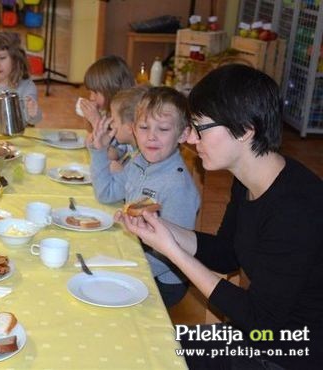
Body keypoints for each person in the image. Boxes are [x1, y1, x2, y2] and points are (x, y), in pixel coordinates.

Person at [116, 64, 323, 369]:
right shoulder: (248, 180)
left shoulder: (296, 208)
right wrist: (162, 228)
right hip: (259, 334)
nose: (190, 139)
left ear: (244, 130)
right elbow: (227, 254)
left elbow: (259, 320)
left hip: (292, 350)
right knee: (142, 347)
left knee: (153, 357)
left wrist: (172, 250)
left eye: (200, 127)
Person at [89, 86, 200, 307]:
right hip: (135, 255)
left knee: (99, 294)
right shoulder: (138, 161)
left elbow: (175, 253)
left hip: (163, 277)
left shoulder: (177, 186)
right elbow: (106, 193)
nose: (151, 136)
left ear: (183, 134)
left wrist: (126, 266)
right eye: (144, 127)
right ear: (133, 130)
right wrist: (99, 151)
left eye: (163, 129)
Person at [80, 55, 135, 163]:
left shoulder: (126, 117)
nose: (91, 97)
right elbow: (91, 139)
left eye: (95, 92)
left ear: (111, 90)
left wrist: (96, 122)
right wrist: (91, 121)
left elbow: (112, 155)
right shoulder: (108, 112)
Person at [88, 85, 147, 174]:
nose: (111, 125)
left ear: (130, 128)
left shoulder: (142, 162)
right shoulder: (132, 149)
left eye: (114, 120)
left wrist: (120, 174)